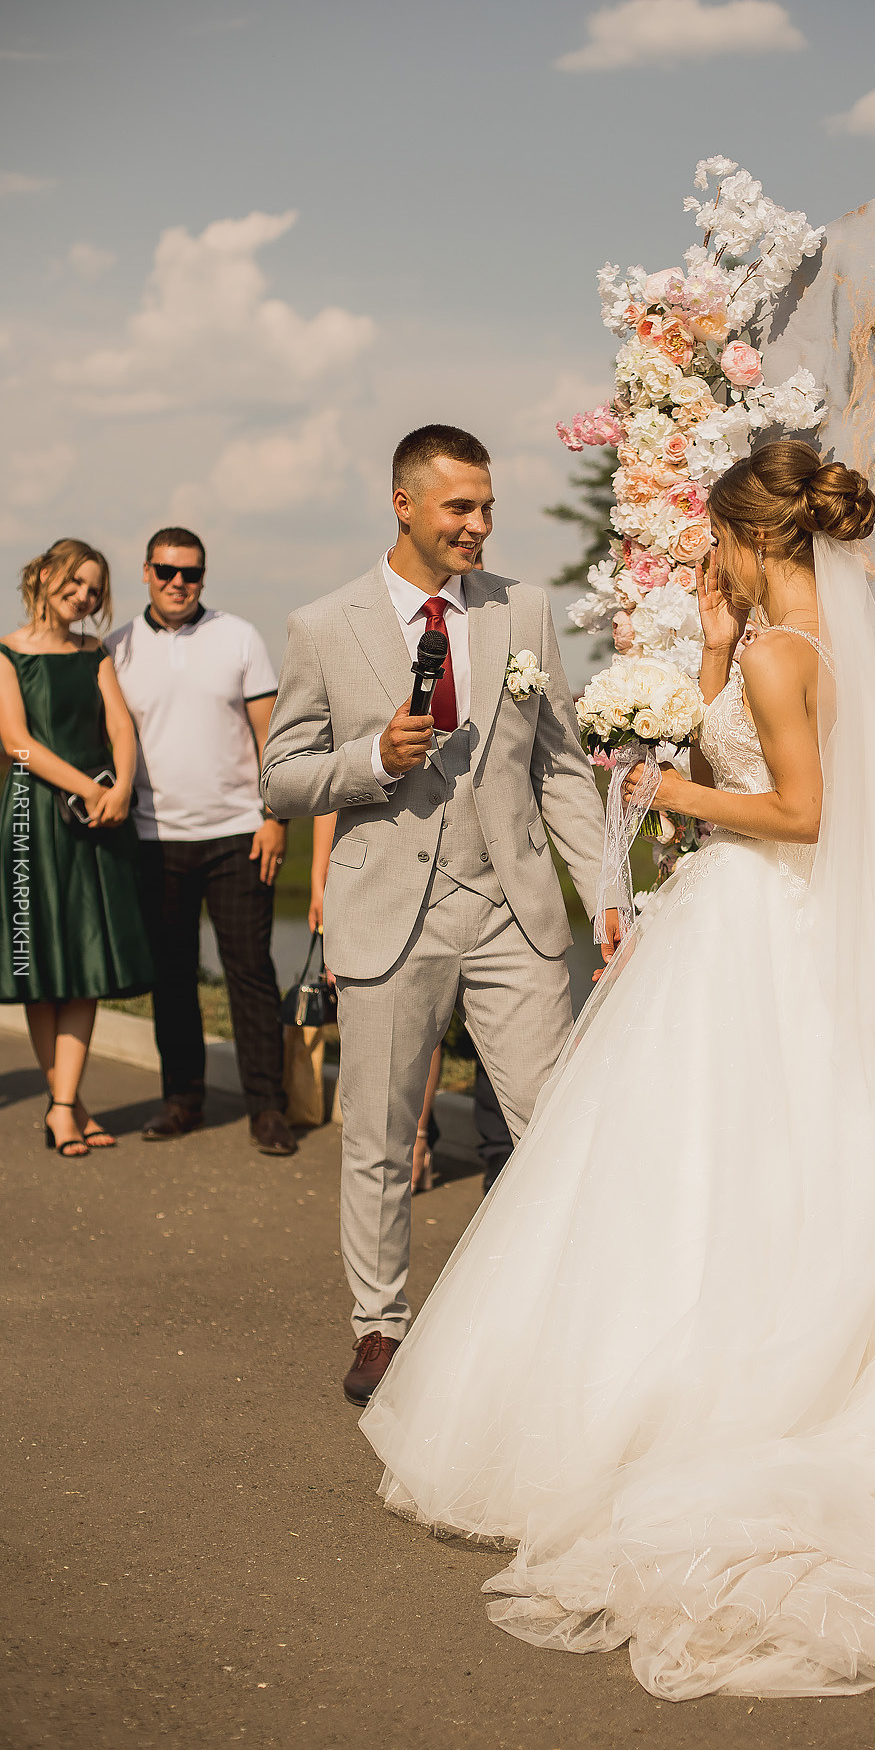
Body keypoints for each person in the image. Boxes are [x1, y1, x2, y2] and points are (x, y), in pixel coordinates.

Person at [359, 441, 875, 1702]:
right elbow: (749, 753)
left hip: (755, 925)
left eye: (714, 540)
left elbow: (803, 811)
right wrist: (710, 653)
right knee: (715, 1160)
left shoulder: (794, 656)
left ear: (748, 533)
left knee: (710, 1158)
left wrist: (662, 779)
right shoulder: (778, 645)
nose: (704, 559)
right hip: (737, 920)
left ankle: (711, 1389)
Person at [261, 424, 616, 1405]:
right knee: (376, 1135)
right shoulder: (322, 626)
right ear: (404, 504)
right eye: (459, 507)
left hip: (516, 910)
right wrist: (372, 758)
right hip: (389, 914)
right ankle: (379, 1327)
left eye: (487, 508)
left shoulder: (524, 611)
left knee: (551, 1128)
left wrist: (607, 891)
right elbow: (282, 778)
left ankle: (557, 1316)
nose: (478, 526)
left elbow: (556, 764)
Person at [107, 528, 296, 1156]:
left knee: (251, 974)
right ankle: (182, 1100)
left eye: (190, 573)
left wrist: (275, 816)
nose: (177, 583)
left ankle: (268, 1108)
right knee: (172, 974)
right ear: (146, 572)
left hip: (239, 835)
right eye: (166, 571)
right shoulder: (118, 648)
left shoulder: (238, 636)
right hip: (153, 839)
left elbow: (269, 731)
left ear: (203, 578)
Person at [0, 539, 153, 1156]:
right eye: (76, 581)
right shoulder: (7, 652)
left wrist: (120, 788)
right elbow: (16, 741)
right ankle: (65, 1106)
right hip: (33, 816)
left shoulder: (95, 651)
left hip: (98, 815)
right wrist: (90, 786)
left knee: (85, 964)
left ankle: (64, 1103)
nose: (85, 596)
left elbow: (121, 723)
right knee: (42, 968)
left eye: (95, 588)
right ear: (42, 576)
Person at [311, 814, 515, 1195]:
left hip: (487, 877)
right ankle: (407, 1147)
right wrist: (320, 883)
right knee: (409, 1022)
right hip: (380, 879)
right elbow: (327, 796)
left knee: (446, 1026)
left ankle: (431, 1143)